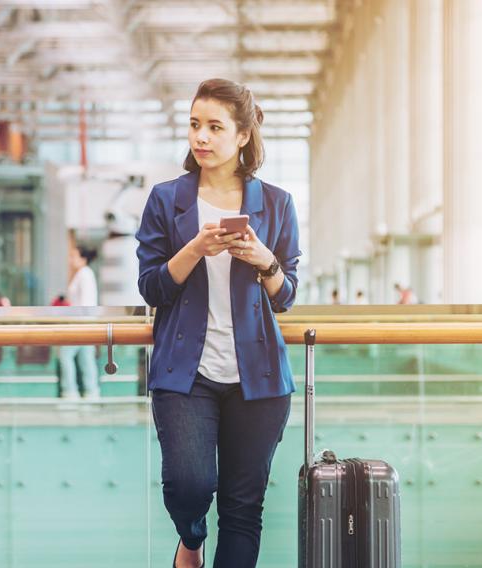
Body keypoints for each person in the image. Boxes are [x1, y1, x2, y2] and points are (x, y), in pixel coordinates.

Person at [136, 78, 301, 568]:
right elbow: (151, 288)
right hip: (186, 373)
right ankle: (191, 540)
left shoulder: (276, 203)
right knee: (189, 485)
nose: (201, 138)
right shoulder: (167, 200)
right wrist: (194, 250)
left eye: (214, 127)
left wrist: (265, 259)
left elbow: (286, 295)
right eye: (194, 125)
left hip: (261, 376)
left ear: (243, 135)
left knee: (243, 509)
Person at [58, 244, 101, 400]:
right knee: (85, 359)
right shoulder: (82, 274)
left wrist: (79, 323)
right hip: (84, 323)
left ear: (83, 259)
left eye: (73, 256)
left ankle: (70, 391)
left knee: (65, 355)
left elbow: (86, 302)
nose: (70, 260)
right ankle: (91, 391)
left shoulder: (85, 274)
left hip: (82, 324)